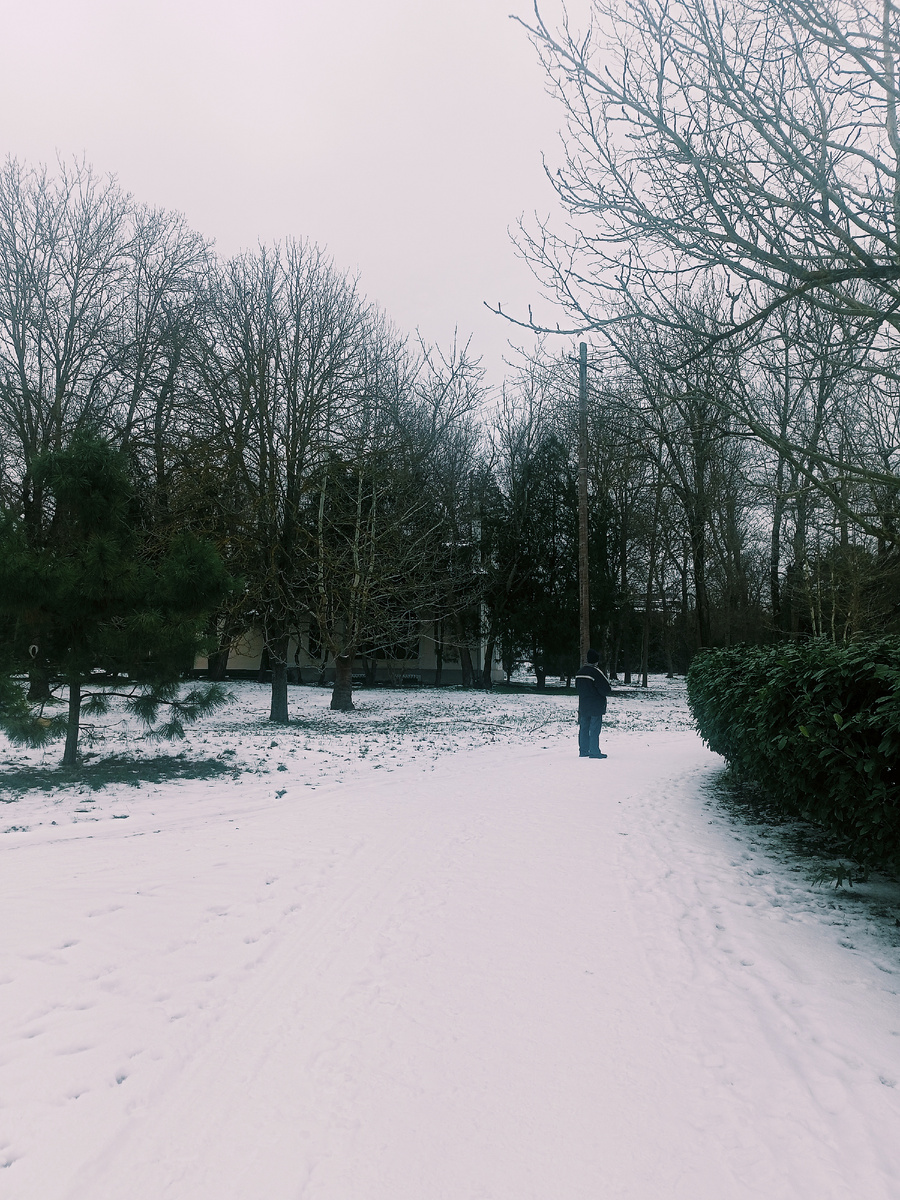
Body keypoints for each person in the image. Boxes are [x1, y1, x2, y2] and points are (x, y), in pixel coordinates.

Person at [575, 649, 612, 759]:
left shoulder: (579, 672)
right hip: (596, 705)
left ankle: (583, 750)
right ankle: (594, 751)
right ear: (596, 661)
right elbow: (606, 689)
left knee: (584, 728)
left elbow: (577, 687)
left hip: (583, 704)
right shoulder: (596, 672)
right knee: (594, 729)